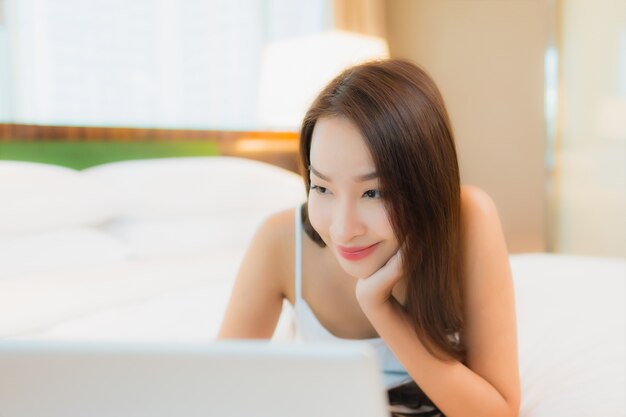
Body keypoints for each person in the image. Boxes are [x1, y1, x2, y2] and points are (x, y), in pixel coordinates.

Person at [219, 59, 520, 417]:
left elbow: (499, 412)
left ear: (425, 184)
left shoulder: (468, 219)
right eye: (322, 187)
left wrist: (381, 308)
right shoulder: (281, 241)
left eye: (374, 193)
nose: (343, 229)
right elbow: (217, 389)